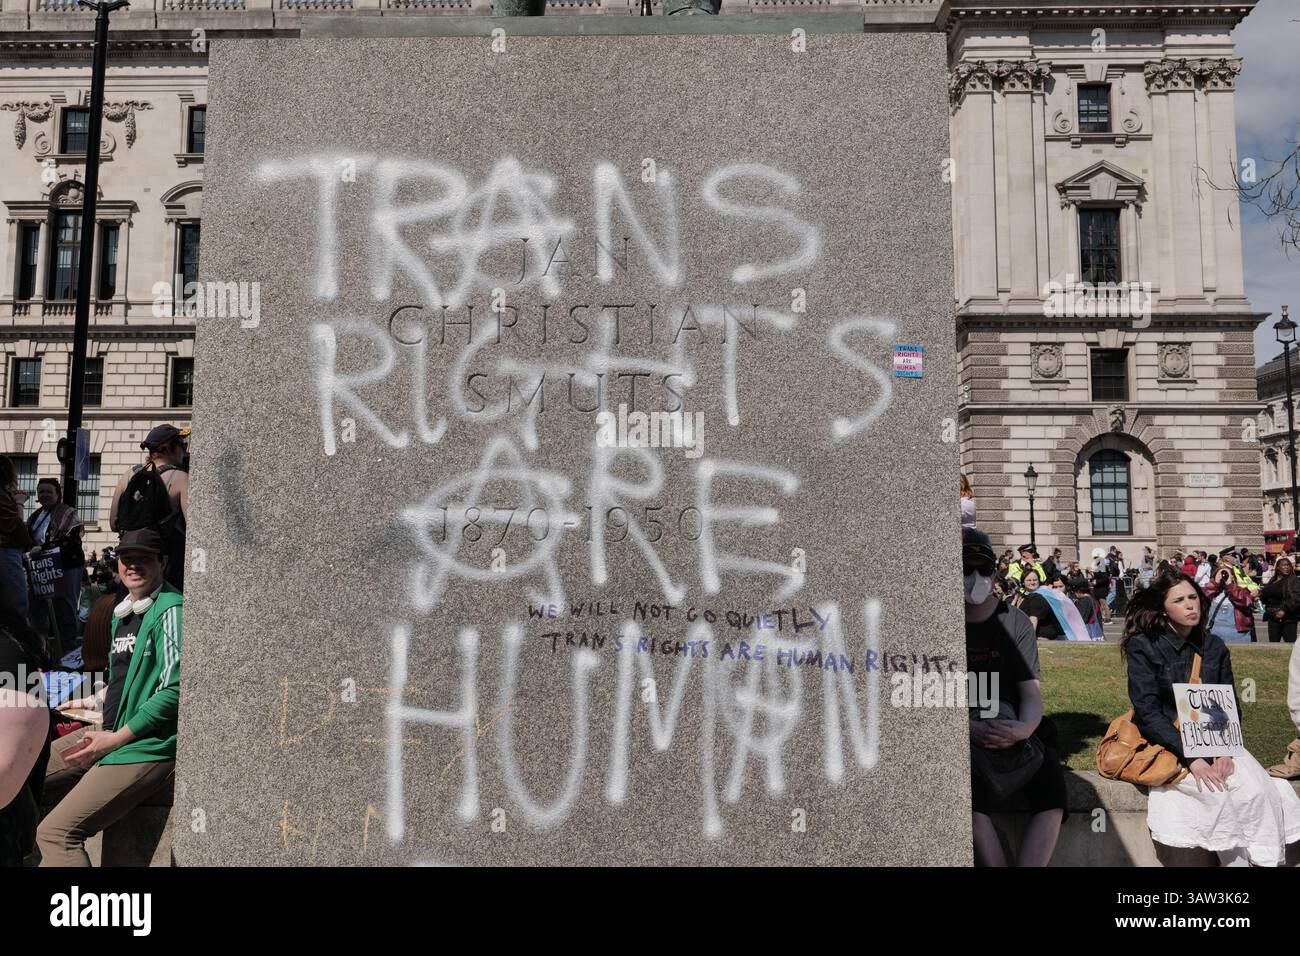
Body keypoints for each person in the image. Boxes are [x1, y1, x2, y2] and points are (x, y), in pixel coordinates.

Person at [1122, 570, 1300, 866]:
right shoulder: (1144, 645)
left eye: (1193, 597)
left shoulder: (1214, 646)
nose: (1190, 605)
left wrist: (1224, 751)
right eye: (1179, 600)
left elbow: (1228, 703)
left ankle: (1263, 861)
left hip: (1217, 739)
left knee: (1257, 791)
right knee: (1216, 798)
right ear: (1163, 608)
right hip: (1170, 742)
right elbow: (1148, 711)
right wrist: (1192, 757)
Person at [36, 529, 182, 867]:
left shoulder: (170, 610)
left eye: (144, 558)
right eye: (127, 558)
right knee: (18, 775)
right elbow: (124, 678)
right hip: (108, 732)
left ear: (163, 562)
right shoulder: (124, 612)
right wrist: (92, 701)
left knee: (56, 833)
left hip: (142, 746)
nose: (133, 565)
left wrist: (115, 739)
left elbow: (174, 690)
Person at [963, 527, 1065, 866]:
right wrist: (967, 729)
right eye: (966, 568)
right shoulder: (939, 622)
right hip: (963, 718)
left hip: (1008, 718)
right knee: (965, 795)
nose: (975, 577)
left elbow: (1031, 691)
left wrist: (1023, 728)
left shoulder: (1015, 621)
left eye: (983, 569)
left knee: (1052, 790)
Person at [109, 424, 189, 592]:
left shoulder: (129, 475)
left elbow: (113, 523)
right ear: (169, 448)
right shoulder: (181, 478)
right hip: (165, 559)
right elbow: (192, 528)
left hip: (130, 553)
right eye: (183, 445)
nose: (185, 451)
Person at [26, 478, 84, 657]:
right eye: (41, 491)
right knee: (37, 609)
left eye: (48, 491)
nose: (44, 495)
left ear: (57, 494)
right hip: (40, 568)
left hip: (66, 567)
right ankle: (41, 653)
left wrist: (43, 549)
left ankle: (69, 653)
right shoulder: (35, 516)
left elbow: (70, 540)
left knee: (64, 609)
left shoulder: (68, 513)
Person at [0, 455, 33, 621]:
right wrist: (19, 502)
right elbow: (15, 526)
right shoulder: (3, 498)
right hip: (6, 554)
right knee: (17, 607)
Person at [1203, 563, 1256, 645]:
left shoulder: (1241, 591)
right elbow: (1202, 598)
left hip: (1237, 634)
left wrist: (1230, 585)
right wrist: (1215, 583)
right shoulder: (1213, 592)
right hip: (1214, 632)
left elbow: (1245, 602)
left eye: (1227, 574)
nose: (1224, 576)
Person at [1260, 556, 1300, 644]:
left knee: (1290, 643)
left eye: (1288, 565)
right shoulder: (1272, 580)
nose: (1287, 567)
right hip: (1272, 616)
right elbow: (1266, 595)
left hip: (1288, 618)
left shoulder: (1294, 580)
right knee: (1274, 644)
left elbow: (1297, 598)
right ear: (1278, 567)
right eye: (1284, 565)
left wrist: (1284, 609)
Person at [1019, 572, 1066, 641]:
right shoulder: (1029, 596)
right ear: (1023, 582)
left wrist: (1028, 639)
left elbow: (1033, 619)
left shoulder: (1037, 596)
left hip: (1040, 638)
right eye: (1029, 580)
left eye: (1035, 580)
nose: (1032, 582)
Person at [1090, 548, 1112, 624]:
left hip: (1102, 588)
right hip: (1098, 588)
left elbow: (1105, 578)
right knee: (1098, 604)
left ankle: (1108, 619)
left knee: (1103, 603)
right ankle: (1100, 618)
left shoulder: (1103, 567)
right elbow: (1096, 577)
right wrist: (1091, 578)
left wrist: (1096, 582)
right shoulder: (1098, 567)